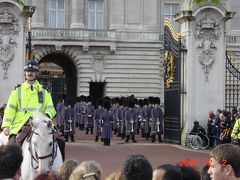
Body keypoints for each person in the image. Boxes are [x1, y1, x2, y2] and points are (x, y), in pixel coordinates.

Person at [1, 59, 56, 143]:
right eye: (28, 71)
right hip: (19, 126)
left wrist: (45, 115)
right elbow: (10, 109)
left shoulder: (45, 92)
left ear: (37, 73)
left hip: (40, 126)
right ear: (25, 73)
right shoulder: (17, 90)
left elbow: (51, 109)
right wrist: (6, 126)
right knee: (11, 150)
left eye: (33, 71)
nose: (30, 73)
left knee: (59, 141)